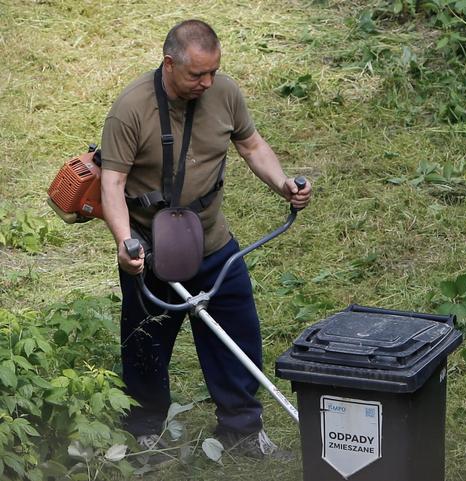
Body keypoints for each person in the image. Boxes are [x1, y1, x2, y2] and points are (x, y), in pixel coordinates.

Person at [100, 19, 312, 461]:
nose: (207, 82)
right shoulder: (131, 108)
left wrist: (284, 184)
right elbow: (112, 183)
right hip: (151, 250)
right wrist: (125, 242)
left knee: (238, 333)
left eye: (213, 71)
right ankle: (145, 429)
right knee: (146, 341)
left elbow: (252, 146)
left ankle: (241, 429)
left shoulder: (224, 93)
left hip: (212, 241)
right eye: (197, 74)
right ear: (169, 64)